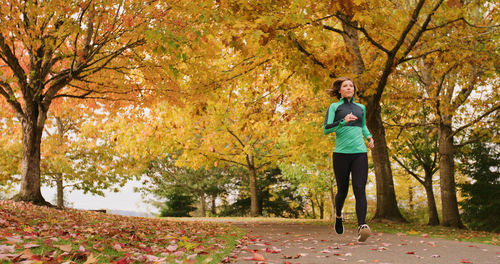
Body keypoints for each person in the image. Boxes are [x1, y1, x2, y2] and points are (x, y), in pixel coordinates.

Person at [323, 77, 374, 242]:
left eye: (351, 86)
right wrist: (343, 122)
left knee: (359, 188)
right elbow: (326, 129)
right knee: (342, 191)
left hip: (359, 153)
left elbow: (363, 126)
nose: (348, 88)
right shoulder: (334, 107)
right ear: (339, 90)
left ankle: (362, 226)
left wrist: (369, 137)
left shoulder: (361, 108)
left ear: (354, 89)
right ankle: (338, 216)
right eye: (345, 86)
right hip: (341, 154)